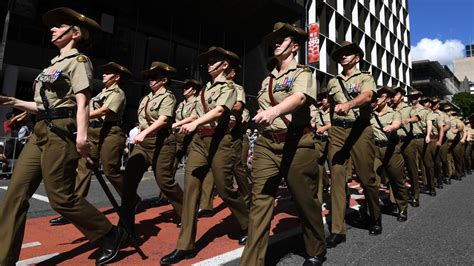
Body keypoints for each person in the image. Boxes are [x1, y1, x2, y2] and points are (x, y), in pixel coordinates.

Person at [0, 7, 125, 265]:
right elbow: (44, 106)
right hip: (41, 130)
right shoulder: (52, 65)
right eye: (53, 27)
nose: (53, 29)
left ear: (75, 33)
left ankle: (110, 233)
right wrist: (13, 101)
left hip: (62, 131)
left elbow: (82, 101)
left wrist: (81, 137)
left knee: (60, 198)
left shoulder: (79, 61)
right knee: (15, 194)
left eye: (59, 26)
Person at [240, 22, 326, 265]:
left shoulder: (303, 73)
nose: (276, 43)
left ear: (294, 46)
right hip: (267, 145)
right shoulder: (267, 80)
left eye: (282, 39)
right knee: (260, 202)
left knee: (305, 200)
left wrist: (274, 111)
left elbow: (299, 97)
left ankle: (316, 248)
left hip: (297, 142)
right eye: (274, 40)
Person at [160, 47, 250, 265]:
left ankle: (248, 223)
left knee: (225, 188)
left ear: (225, 65)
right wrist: (186, 123)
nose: (208, 65)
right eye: (208, 62)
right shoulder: (204, 90)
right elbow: (197, 113)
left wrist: (195, 123)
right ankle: (185, 245)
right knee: (191, 189)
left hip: (220, 139)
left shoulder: (229, 87)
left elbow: (220, 111)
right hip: (200, 142)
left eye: (214, 62)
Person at [48, 61, 132, 226]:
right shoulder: (101, 93)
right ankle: (74, 209)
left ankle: (131, 198)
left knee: (110, 171)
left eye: (108, 73)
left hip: (111, 132)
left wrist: (81, 117)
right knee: (84, 167)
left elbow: (104, 111)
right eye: (104, 73)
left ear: (117, 77)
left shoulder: (118, 93)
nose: (104, 75)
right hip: (94, 132)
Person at [325, 41, 381, 249]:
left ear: (357, 57)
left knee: (367, 178)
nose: (343, 57)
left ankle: (375, 217)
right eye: (340, 54)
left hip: (360, 129)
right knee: (337, 179)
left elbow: (367, 96)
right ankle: (337, 229)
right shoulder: (332, 82)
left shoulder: (365, 77)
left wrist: (348, 104)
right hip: (338, 131)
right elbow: (330, 107)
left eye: (348, 53)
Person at [120, 61, 184, 232]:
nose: (150, 80)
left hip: (162, 142)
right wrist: (140, 133)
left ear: (163, 80)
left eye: (154, 77)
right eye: (149, 77)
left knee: (165, 182)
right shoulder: (146, 99)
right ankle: (125, 223)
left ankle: (186, 212)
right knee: (129, 179)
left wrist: (143, 133)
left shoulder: (168, 97)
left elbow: (163, 119)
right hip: (144, 144)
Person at [198, 53, 252, 216]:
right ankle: (206, 205)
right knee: (209, 169)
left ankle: (247, 198)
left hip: (234, 134)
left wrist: (225, 109)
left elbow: (238, 106)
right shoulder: (209, 88)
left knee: (237, 169)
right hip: (214, 133)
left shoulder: (236, 88)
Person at [371, 86, 408, 222]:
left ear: (386, 99)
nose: (377, 99)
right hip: (375, 150)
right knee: (372, 181)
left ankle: (402, 208)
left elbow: (397, 123)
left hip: (391, 150)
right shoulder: (371, 113)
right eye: (377, 96)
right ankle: (372, 212)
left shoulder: (394, 113)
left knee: (396, 181)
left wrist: (391, 127)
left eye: (380, 97)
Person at [311, 90, 331, 202]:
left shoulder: (335, 111)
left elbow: (336, 123)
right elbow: (313, 124)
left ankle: (345, 194)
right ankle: (318, 198)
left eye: (326, 98)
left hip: (331, 141)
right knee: (318, 166)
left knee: (335, 169)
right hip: (319, 141)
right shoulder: (318, 112)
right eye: (322, 98)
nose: (323, 100)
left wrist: (324, 128)